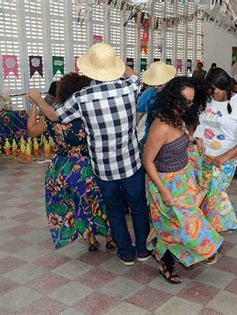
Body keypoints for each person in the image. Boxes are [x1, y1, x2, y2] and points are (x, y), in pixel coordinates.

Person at [29, 43, 150, 265]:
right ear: (113, 67)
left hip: (103, 168)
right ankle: (143, 250)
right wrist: (115, 62)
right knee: (139, 206)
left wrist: (37, 100)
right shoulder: (130, 87)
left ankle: (127, 252)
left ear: (90, 70)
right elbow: (134, 75)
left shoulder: (82, 97)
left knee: (114, 210)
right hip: (131, 162)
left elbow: (56, 118)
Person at [144, 76, 222, 284]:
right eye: (183, 101)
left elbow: (181, 140)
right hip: (165, 183)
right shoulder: (160, 125)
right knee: (180, 225)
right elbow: (148, 161)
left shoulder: (178, 118)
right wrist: (163, 191)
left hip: (183, 179)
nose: (187, 105)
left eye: (190, 101)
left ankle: (166, 262)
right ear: (171, 99)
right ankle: (193, 253)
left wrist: (196, 142)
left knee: (173, 226)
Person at [26, 73, 115, 252]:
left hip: (60, 168)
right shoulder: (86, 113)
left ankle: (91, 240)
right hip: (86, 166)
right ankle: (110, 238)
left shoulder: (54, 114)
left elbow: (32, 131)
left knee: (76, 203)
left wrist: (35, 105)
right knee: (99, 201)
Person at [191, 68, 237, 232]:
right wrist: (194, 138)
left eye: (216, 90)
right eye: (210, 89)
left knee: (214, 193)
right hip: (198, 153)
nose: (213, 93)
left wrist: (224, 156)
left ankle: (210, 232)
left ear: (227, 87)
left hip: (225, 157)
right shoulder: (205, 99)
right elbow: (193, 122)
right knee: (197, 191)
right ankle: (216, 223)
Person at [136, 61, 177, 150]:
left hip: (172, 140)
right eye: (154, 84)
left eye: (160, 85)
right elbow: (138, 116)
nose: (155, 87)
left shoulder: (177, 94)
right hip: (150, 138)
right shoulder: (147, 94)